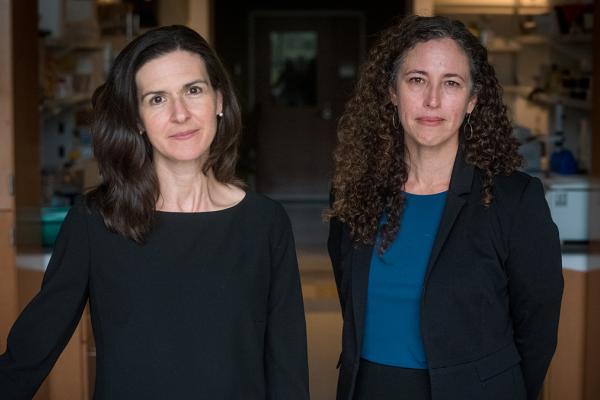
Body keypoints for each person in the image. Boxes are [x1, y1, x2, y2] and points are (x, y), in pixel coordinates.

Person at [0, 25, 309, 400]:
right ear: (136, 119)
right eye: (157, 99)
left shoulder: (265, 223)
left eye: (193, 91)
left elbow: (287, 370)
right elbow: (31, 351)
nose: (180, 114)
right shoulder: (95, 220)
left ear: (219, 100)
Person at [327, 15, 563, 400]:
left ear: (472, 100)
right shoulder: (353, 191)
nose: (432, 100)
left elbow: (537, 327)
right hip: (369, 388)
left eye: (451, 83)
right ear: (392, 92)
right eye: (417, 80)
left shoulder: (514, 200)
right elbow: (349, 294)